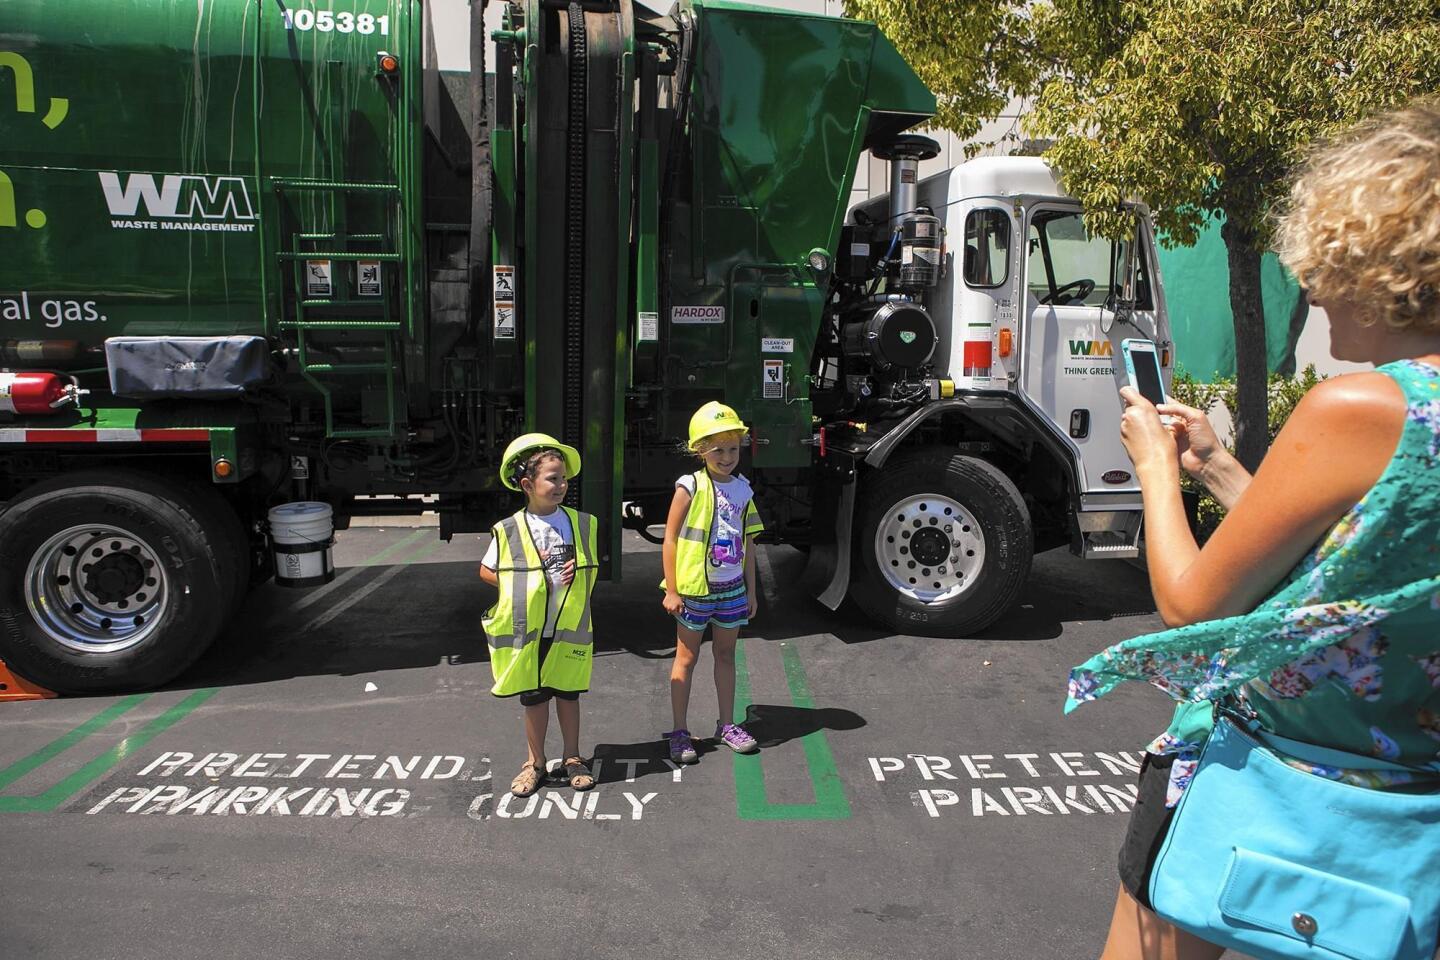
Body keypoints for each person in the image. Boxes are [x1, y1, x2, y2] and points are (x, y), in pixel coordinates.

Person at [1066, 98, 1440, 960]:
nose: (1308, 288)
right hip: (1405, 819)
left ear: (1384, 259)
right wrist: (1221, 470)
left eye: (1322, 262)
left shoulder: (1362, 407)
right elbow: (1364, 561)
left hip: (1276, 786)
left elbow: (1192, 606)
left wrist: (1155, 468)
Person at [480, 433, 600, 797]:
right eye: (553, 478)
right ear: (528, 484)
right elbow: (487, 570)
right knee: (534, 699)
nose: (561, 484)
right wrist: (535, 580)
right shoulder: (511, 529)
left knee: (568, 694)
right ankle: (534, 763)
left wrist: (573, 570)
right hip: (531, 630)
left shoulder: (579, 523)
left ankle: (573, 758)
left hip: (568, 628)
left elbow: (589, 566)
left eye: (563, 477)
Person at [660, 401, 766, 763]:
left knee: (725, 655)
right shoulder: (688, 487)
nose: (726, 456)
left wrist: (752, 590)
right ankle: (679, 730)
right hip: (695, 590)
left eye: (733, 448)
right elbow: (670, 538)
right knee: (686, 657)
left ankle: (727, 724)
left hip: (732, 588)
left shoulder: (743, 490)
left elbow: (749, 542)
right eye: (717, 449)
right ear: (700, 450)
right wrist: (672, 589)